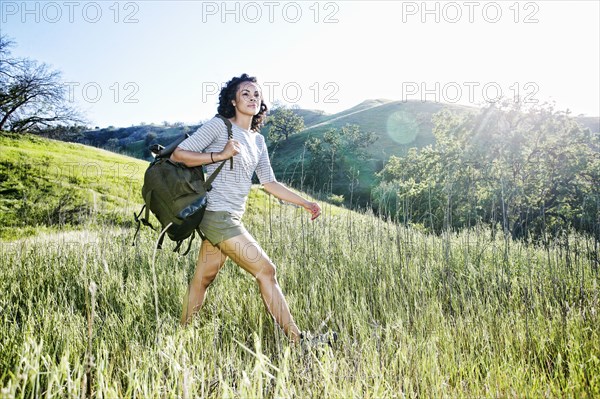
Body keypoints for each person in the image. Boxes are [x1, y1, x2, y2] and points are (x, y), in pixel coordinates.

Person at [171, 73, 321, 343]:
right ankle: (298, 341)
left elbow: (269, 182)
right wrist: (220, 155)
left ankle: (181, 338)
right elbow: (179, 155)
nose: (252, 98)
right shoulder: (219, 127)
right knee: (266, 270)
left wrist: (305, 202)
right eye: (245, 94)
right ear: (233, 100)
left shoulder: (258, 141)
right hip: (217, 215)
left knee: (202, 280)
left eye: (256, 94)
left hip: (230, 216)